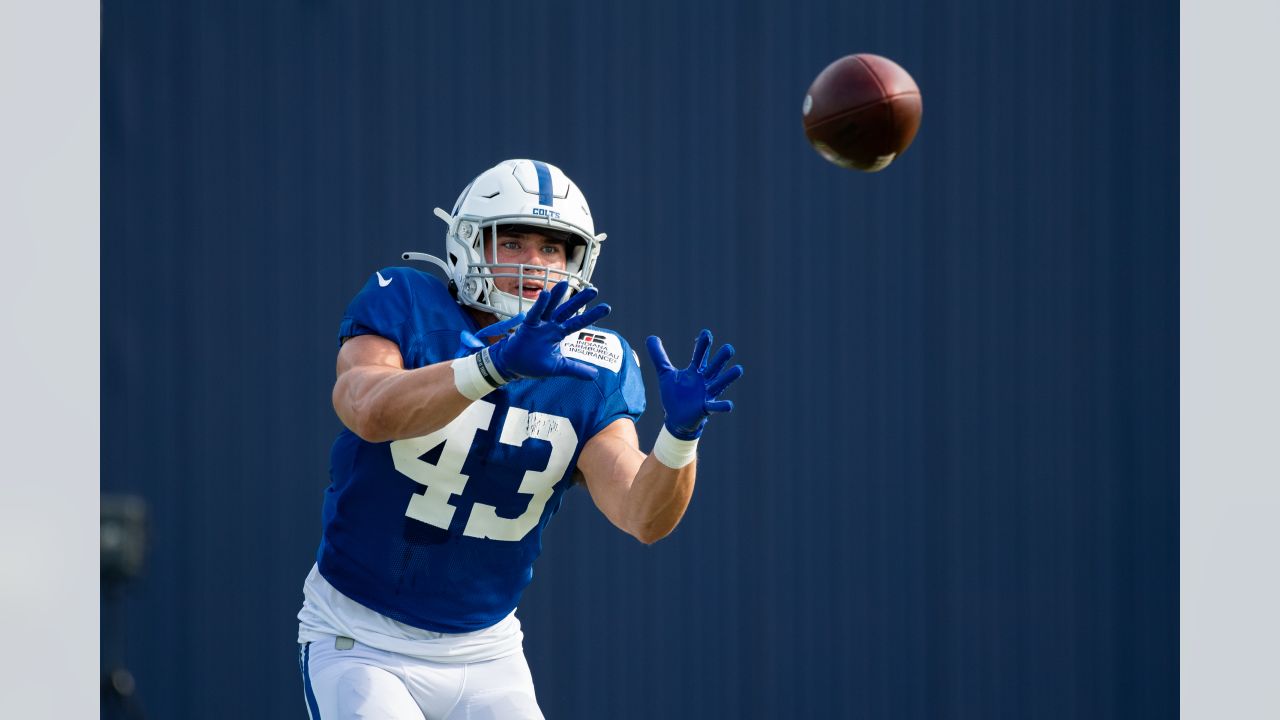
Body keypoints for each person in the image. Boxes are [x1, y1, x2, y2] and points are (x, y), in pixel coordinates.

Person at [296, 159, 743, 719]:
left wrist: (679, 438)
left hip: (488, 652)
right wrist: (491, 365)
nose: (534, 265)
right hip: (360, 637)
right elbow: (365, 408)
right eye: (513, 242)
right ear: (468, 243)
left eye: (552, 250)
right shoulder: (406, 300)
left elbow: (642, 515)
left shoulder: (594, 364)